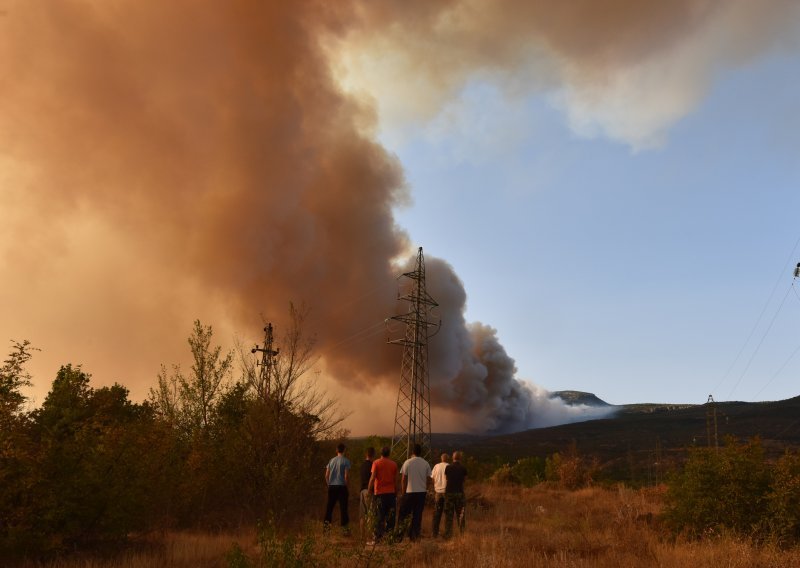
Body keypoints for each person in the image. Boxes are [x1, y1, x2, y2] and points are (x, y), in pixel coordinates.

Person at [398, 443, 432, 541]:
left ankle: (400, 536)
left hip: (409, 492)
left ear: (412, 452)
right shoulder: (425, 463)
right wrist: (426, 487)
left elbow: (403, 479)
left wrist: (403, 492)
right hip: (421, 493)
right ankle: (414, 537)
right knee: (417, 516)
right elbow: (429, 478)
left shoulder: (407, 462)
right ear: (420, 452)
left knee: (403, 514)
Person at [367, 446, 398, 544]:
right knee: (391, 517)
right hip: (391, 493)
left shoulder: (376, 463)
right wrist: (396, 492)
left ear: (381, 453)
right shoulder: (394, 464)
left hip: (379, 493)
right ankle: (389, 538)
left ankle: (378, 538)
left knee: (379, 516)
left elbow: (372, 478)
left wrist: (369, 491)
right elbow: (396, 480)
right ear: (389, 453)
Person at [324, 443, 351, 533]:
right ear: (344, 450)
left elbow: (326, 475)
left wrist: (329, 485)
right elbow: (346, 476)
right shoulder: (346, 461)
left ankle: (326, 530)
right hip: (342, 487)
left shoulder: (331, 461)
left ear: (337, 450)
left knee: (329, 508)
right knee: (343, 509)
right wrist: (347, 487)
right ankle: (345, 531)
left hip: (332, 487)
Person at [443, 450, 467, 539]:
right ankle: (462, 534)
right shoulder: (463, 468)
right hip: (460, 493)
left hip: (449, 492)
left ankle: (448, 534)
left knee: (449, 515)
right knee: (460, 514)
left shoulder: (448, 467)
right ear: (460, 458)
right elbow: (464, 480)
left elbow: (446, 478)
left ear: (453, 458)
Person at [430, 453, 449, 537]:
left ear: (441, 459)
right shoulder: (449, 466)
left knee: (437, 513)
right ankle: (447, 533)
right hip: (446, 492)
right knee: (447, 513)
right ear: (447, 459)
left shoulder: (436, 466)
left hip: (437, 492)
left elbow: (432, 478)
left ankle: (434, 532)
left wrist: (435, 486)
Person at [359, 446, 375, 539]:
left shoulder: (362, 465)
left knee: (362, 515)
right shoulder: (373, 465)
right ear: (373, 455)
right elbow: (373, 479)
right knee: (371, 514)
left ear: (366, 454)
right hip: (369, 491)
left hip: (362, 491)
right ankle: (370, 537)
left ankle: (362, 536)